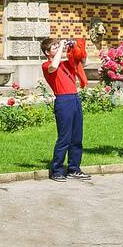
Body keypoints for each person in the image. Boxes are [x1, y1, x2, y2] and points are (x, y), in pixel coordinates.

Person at [40, 35, 91, 181]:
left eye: (57, 45)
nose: (57, 48)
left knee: (77, 137)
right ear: (47, 52)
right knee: (64, 137)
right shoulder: (46, 65)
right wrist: (62, 46)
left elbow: (84, 62)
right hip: (63, 101)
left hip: (74, 98)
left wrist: (76, 47)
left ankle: (74, 168)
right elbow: (54, 66)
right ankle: (57, 170)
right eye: (54, 47)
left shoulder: (66, 64)